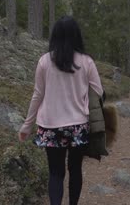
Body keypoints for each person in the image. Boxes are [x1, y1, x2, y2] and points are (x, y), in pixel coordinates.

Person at [18, 16, 103, 205]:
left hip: (50, 126)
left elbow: (37, 95)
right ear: (76, 36)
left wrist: (26, 126)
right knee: (75, 170)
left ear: (55, 36)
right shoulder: (86, 62)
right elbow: (98, 92)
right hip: (78, 126)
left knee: (55, 173)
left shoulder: (44, 62)